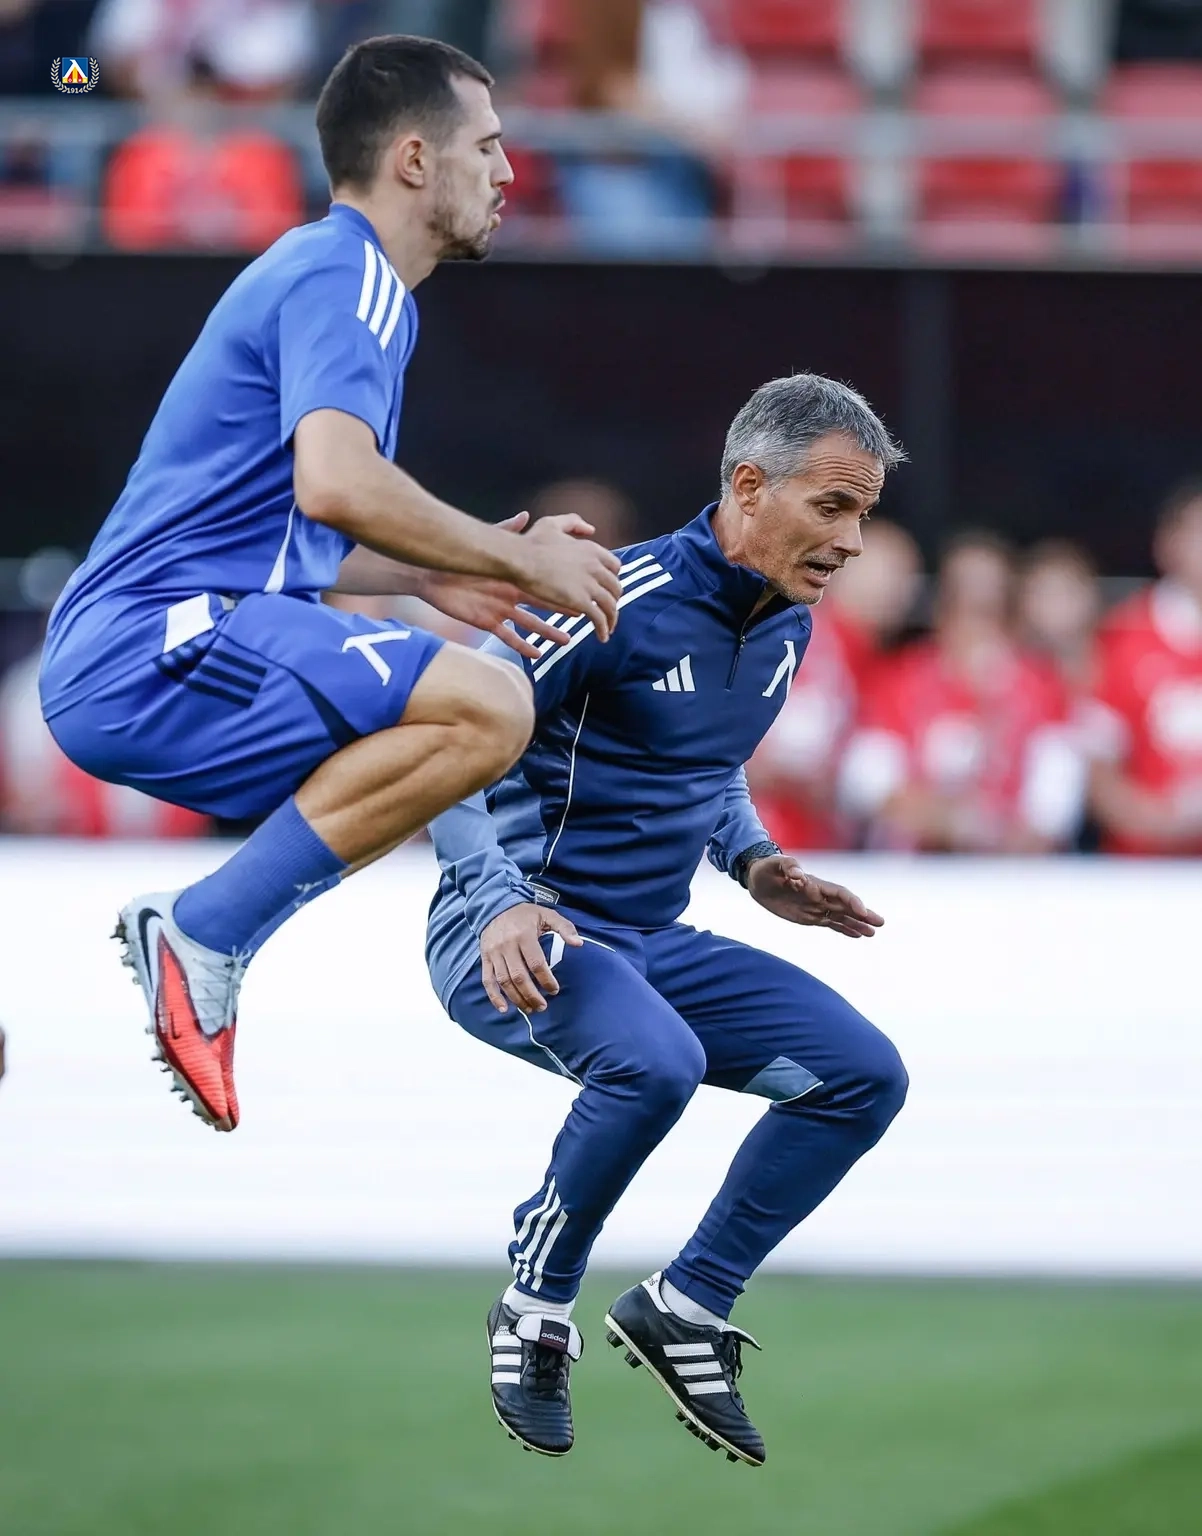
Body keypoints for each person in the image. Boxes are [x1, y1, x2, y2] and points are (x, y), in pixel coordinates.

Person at [38, 35, 621, 1134]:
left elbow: (280, 521)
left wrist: (430, 568)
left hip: (141, 645)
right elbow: (337, 482)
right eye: (487, 146)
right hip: (155, 641)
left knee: (463, 715)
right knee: (488, 704)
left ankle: (215, 931)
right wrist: (516, 557)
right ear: (414, 159)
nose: (508, 171)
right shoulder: (345, 275)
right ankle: (206, 929)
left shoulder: (333, 276)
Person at [426, 374, 909, 1466]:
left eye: (864, 513)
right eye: (833, 507)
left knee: (864, 1076)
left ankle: (686, 1306)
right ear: (749, 485)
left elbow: (703, 765)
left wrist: (753, 860)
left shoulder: (784, 623)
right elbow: (447, 737)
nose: (853, 541)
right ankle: (533, 1307)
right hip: (516, 931)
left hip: (645, 943)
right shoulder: (612, 597)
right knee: (656, 1063)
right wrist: (495, 902)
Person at [839, 532, 1086, 853]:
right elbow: (869, 788)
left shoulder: (1043, 689)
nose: (974, 624)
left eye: (990, 608)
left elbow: (1052, 814)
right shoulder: (898, 679)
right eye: (962, 603)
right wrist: (951, 822)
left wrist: (990, 835)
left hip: (1009, 873)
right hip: (910, 871)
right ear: (941, 609)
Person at [747, 519, 920, 851]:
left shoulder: (871, 661)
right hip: (763, 841)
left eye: (905, 578)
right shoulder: (806, 641)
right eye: (885, 573)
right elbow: (773, 754)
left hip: (817, 849)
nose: (895, 592)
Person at [1087, 480, 1202, 854]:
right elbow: (1097, 766)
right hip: (1145, 868)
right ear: (1168, 544)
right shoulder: (1123, 636)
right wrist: (1156, 822)